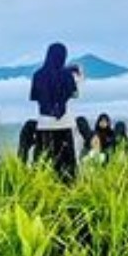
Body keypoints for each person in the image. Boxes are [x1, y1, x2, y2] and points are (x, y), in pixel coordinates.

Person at [28, 43, 84, 181]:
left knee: (44, 161)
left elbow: (34, 96)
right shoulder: (66, 75)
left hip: (44, 124)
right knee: (67, 165)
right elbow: (74, 94)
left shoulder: (37, 75)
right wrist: (79, 77)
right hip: (64, 122)